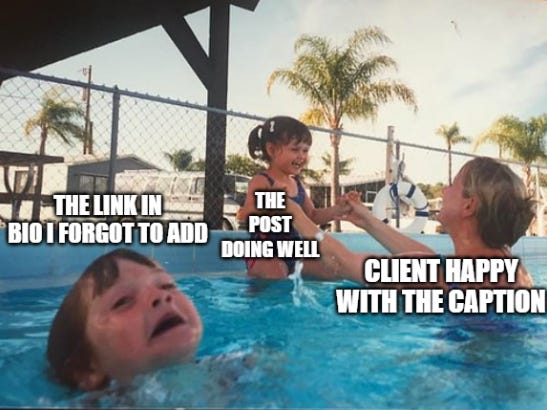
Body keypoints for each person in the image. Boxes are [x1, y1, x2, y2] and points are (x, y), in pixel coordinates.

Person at [285, 157, 536, 289]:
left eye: (452, 184)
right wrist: (369, 221)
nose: (444, 189)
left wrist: (295, 213)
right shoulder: (512, 269)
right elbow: (431, 264)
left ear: (469, 206)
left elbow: (342, 263)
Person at [47, 249, 203, 391]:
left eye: (166, 285)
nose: (161, 296)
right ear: (87, 368)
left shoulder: (217, 371)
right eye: (122, 301)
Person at [239, 115, 351, 279]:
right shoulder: (262, 181)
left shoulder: (296, 184)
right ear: (272, 150)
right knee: (276, 271)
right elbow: (247, 214)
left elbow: (312, 215)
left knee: (331, 269)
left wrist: (338, 210)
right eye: (295, 150)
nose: (301, 156)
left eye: (305, 150)